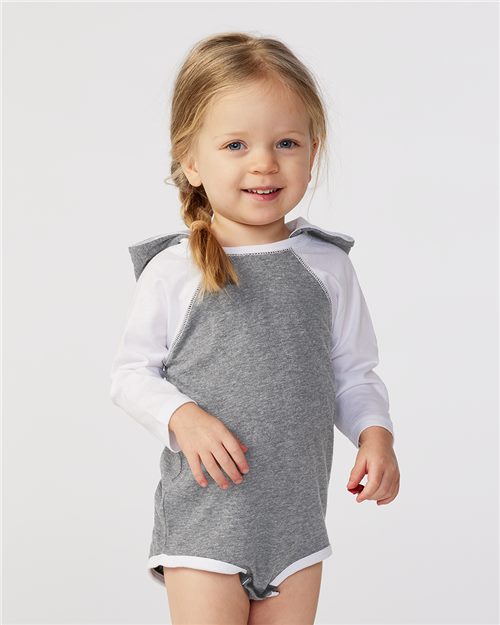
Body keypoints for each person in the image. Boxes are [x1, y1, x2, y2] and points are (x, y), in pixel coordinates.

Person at [110, 31, 400, 625]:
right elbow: (131, 375)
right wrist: (182, 416)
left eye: (286, 142)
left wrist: (376, 436)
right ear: (191, 160)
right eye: (236, 144)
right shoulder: (175, 269)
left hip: (297, 529)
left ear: (313, 151)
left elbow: (353, 372)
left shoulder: (328, 266)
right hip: (205, 524)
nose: (264, 162)